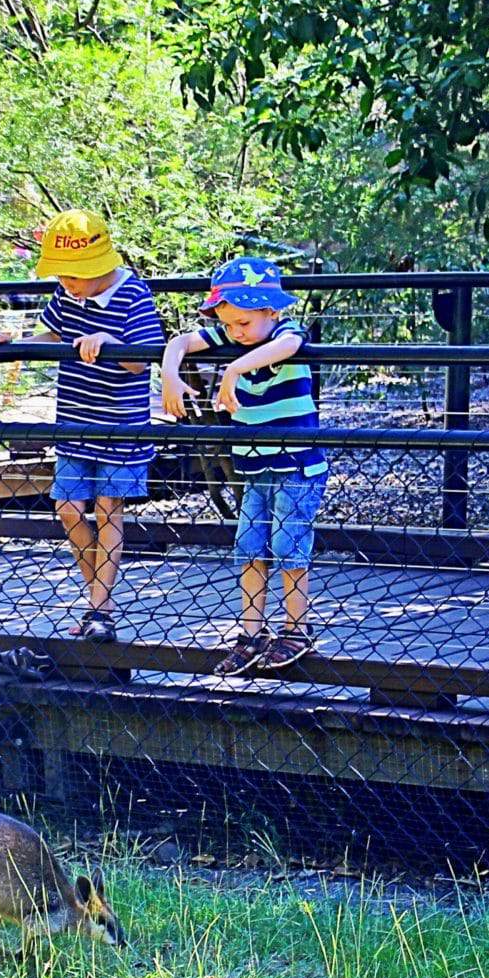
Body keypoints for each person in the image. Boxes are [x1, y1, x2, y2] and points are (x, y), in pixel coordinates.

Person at [0, 209, 163, 642]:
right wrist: (12, 342)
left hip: (120, 426)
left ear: (99, 268)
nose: (66, 285)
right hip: (75, 423)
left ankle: (99, 607)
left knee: (108, 510)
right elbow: (52, 336)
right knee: (66, 507)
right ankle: (99, 601)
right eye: (61, 277)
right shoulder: (67, 296)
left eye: (73, 276)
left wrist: (110, 344)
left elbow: (143, 358)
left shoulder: (133, 295)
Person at [161, 256, 327, 675]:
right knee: (249, 547)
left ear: (271, 312)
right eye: (229, 324)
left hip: (295, 465)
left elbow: (289, 346)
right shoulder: (234, 331)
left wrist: (233, 368)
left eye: (243, 324)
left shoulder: (283, 333)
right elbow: (180, 342)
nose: (235, 333)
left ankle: (297, 629)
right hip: (254, 467)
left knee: (290, 545)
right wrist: (169, 375)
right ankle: (251, 633)